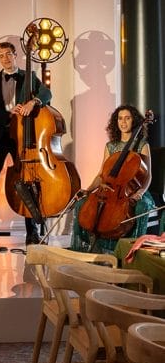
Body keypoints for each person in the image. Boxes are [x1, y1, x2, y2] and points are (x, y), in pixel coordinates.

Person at [0, 41, 52, 247]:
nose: (6, 58)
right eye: (1, 56)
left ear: (16, 55)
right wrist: (9, 114)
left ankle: (32, 233)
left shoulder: (29, 76)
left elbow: (47, 94)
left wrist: (33, 102)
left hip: (23, 137)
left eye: (8, 54)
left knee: (28, 182)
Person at [70, 104, 154, 254]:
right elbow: (101, 174)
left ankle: (132, 250)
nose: (123, 122)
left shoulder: (142, 145)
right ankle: (87, 247)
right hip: (110, 190)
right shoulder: (110, 146)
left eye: (127, 118)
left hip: (133, 190)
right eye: (120, 118)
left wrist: (140, 193)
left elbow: (148, 176)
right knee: (81, 203)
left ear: (134, 121)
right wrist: (88, 190)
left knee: (141, 207)